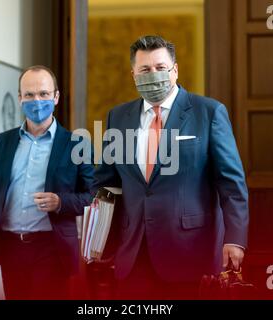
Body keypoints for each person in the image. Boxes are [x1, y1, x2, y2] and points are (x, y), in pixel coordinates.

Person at [93, 35, 249, 299]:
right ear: (134, 74)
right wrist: (93, 232)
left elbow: (230, 182)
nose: (153, 74)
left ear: (175, 70)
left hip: (190, 253)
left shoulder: (208, 112)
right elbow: (106, 181)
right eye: (145, 70)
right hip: (133, 255)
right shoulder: (117, 117)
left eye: (160, 67)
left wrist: (235, 238)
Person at [0, 65, 94, 299]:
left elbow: (92, 195)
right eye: (30, 95)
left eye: (43, 94)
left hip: (52, 250)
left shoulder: (77, 144)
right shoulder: (3, 142)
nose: (37, 100)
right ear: (20, 98)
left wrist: (60, 202)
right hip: (11, 249)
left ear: (56, 97)